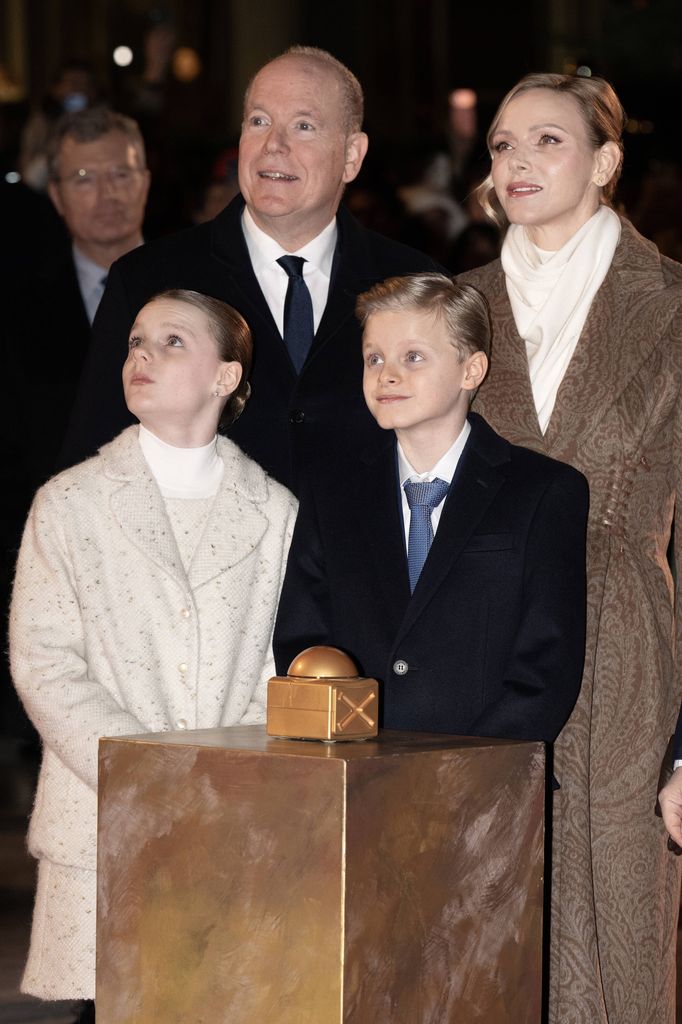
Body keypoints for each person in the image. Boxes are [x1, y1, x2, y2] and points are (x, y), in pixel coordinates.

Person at [459, 73, 682, 1024]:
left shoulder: (673, 305)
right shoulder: (450, 310)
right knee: (477, 931)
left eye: (546, 141)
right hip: (477, 651)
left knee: (618, 939)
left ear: (606, 160)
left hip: (625, 653)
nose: (517, 162)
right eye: (503, 144)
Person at [9, 289, 297, 1022]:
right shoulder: (68, 504)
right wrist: (142, 767)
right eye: (137, 341)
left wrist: (214, 776)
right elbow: (44, 662)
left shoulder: (275, 513)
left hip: (226, 820)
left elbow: (277, 666)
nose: (142, 354)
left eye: (172, 342)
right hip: (103, 811)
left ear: (225, 377)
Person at [57, 46, 440, 493]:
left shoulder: (416, 283)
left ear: (352, 155)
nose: (274, 145)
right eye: (259, 121)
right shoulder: (148, 279)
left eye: (303, 126)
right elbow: (90, 470)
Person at [274, 272, 588, 743]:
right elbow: (304, 640)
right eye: (373, 358)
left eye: (413, 357)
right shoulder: (332, 491)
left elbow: (546, 665)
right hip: (356, 773)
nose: (387, 374)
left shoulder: (542, 492)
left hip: (488, 778)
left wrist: (468, 771)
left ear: (471, 370)